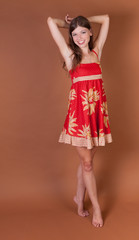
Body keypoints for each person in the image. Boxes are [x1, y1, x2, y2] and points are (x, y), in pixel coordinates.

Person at [47, 14, 112, 227]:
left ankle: (78, 199)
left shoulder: (97, 52)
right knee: (87, 164)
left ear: (90, 32)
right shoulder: (69, 56)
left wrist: (83, 19)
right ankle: (97, 210)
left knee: (87, 163)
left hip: (96, 119)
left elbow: (106, 18)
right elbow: (50, 21)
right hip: (79, 120)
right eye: (74, 34)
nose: (79, 37)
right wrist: (68, 23)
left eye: (83, 31)